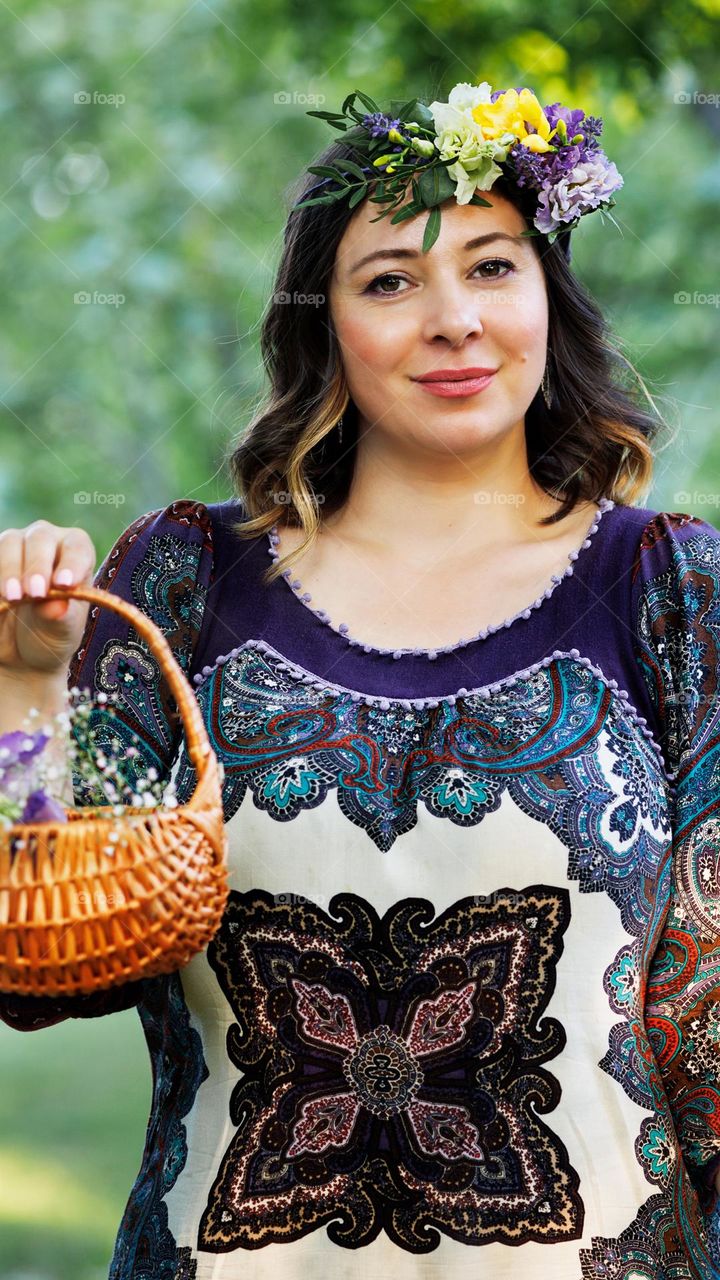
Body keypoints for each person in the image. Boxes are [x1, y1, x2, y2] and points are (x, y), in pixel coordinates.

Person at [0, 79, 719, 1280]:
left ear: (549, 295)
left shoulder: (674, 590)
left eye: (493, 267)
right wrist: (23, 690)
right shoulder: (184, 582)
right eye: (390, 279)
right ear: (321, 321)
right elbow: (37, 965)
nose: (453, 320)